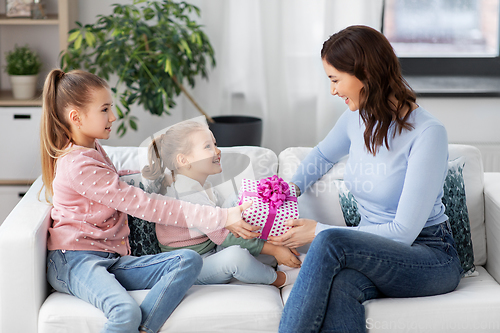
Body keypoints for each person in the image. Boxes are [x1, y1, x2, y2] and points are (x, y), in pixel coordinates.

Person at [267, 25, 463, 333]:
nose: (332, 91)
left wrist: (316, 231)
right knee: (341, 285)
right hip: (376, 249)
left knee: (330, 240)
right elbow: (321, 156)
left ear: (366, 74)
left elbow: (402, 233)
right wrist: (288, 191)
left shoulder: (428, 133)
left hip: (430, 256)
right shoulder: (356, 119)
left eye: (335, 80)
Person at [40, 69, 257, 333]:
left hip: (112, 257)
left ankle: (143, 329)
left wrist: (161, 176)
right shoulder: (76, 164)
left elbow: (113, 182)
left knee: (188, 260)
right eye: (105, 109)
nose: (114, 116)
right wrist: (224, 216)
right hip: (74, 260)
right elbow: (147, 206)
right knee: (124, 311)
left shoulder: (92, 149)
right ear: (76, 117)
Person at [141, 120, 302, 287]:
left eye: (215, 144)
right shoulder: (186, 193)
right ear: (183, 160)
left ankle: (281, 251)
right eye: (207, 147)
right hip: (191, 267)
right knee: (235, 257)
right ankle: (279, 278)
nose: (217, 151)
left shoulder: (203, 186)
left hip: (211, 249)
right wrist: (274, 250)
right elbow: (224, 235)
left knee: (238, 200)